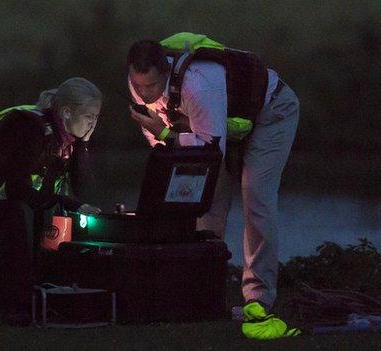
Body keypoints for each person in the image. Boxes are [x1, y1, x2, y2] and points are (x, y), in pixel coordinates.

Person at [126, 34, 300, 338]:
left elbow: (210, 150)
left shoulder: (198, 84)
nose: (144, 94)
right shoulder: (139, 85)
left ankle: (258, 301)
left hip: (270, 113)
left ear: (165, 72)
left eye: (151, 86)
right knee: (202, 202)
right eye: (137, 85)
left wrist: (167, 134)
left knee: (256, 198)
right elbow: (170, 150)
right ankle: (200, 296)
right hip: (220, 129)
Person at [0, 77, 102, 323]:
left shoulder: (65, 140)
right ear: (66, 113)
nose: (93, 123)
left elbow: (82, 189)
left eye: (96, 117)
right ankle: (18, 305)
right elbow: (17, 190)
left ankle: (53, 292)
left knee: (53, 219)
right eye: (89, 116)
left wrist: (83, 146)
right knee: (18, 214)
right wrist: (68, 204)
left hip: (19, 214)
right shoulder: (30, 130)